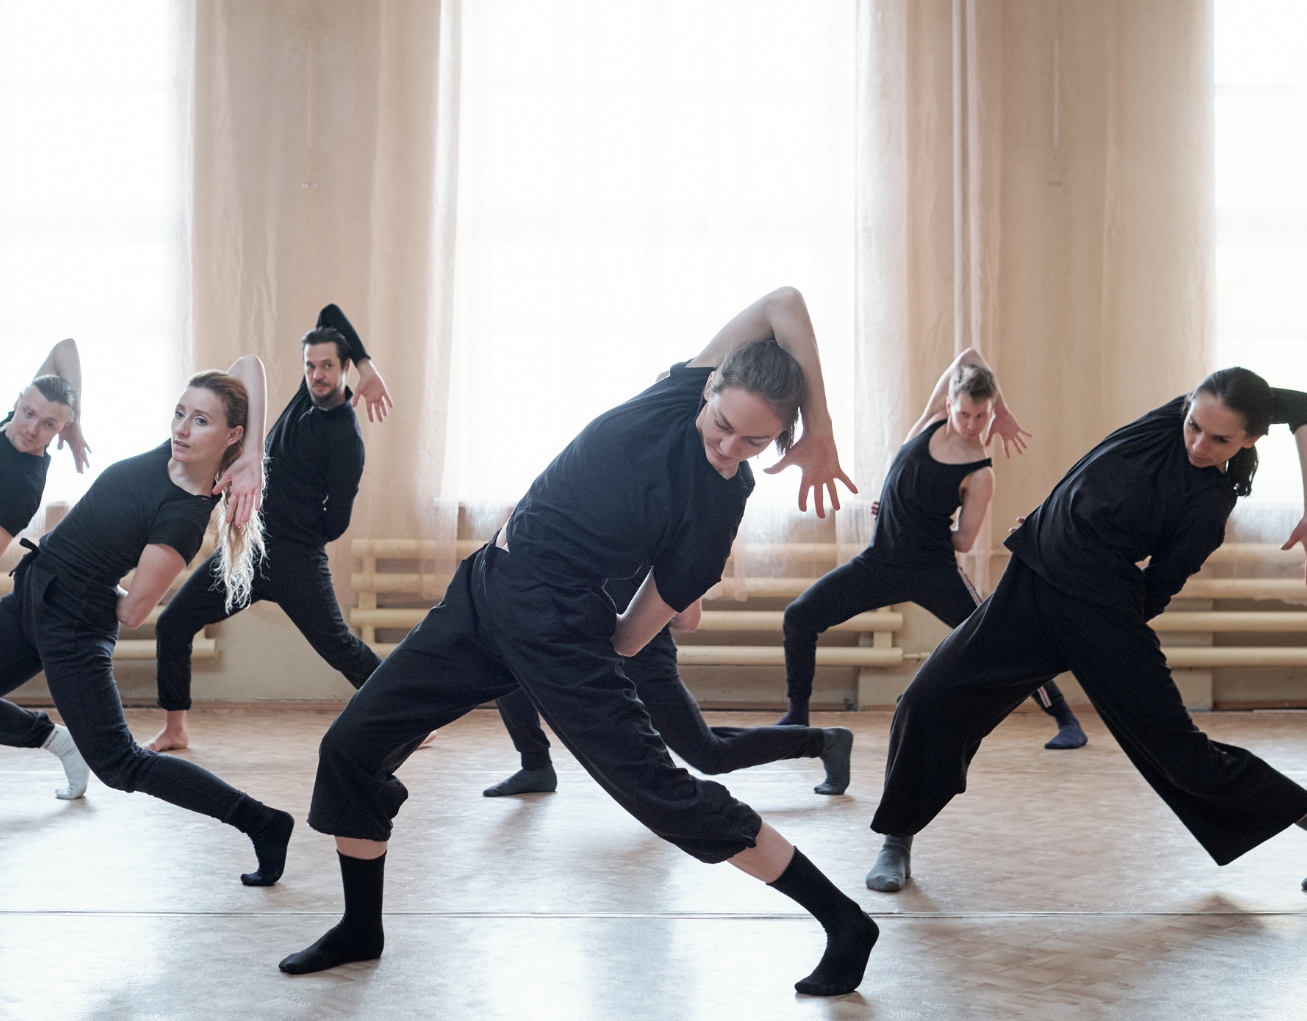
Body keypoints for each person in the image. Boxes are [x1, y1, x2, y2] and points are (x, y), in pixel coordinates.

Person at [279, 288, 880, 997]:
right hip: (483, 592)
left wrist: (576, 652)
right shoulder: (675, 393)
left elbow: (638, 627)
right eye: (722, 424)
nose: (726, 447)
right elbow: (782, 302)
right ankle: (361, 927)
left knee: (667, 798)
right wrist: (821, 426)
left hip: (560, 634)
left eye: (753, 442)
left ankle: (845, 923)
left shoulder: (718, 504)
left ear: (771, 444)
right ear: (708, 385)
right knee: (351, 748)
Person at [869, 367, 1307, 896]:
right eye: (1195, 426)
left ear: (1250, 440)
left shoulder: (1208, 502)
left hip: (1104, 616)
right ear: (1185, 407)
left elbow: (1160, 584)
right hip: (1029, 585)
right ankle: (897, 838)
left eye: (1221, 440)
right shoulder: (1166, 422)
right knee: (928, 698)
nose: (1198, 443)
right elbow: (1300, 402)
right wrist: (1050, 531)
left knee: (1185, 760)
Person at [0, 361, 295, 886]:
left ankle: (263, 822)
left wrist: (82, 593)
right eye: (180, 413)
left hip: (69, 624)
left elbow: (134, 611)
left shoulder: (184, 513)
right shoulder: (174, 455)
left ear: (228, 433)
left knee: (120, 765)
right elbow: (250, 364)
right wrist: (252, 456)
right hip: (31, 594)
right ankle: (51, 739)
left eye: (200, 421)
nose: (182, 428)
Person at [778, 349, 1086, 761]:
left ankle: (1067, 720)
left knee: (1003, 638)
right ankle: (798, 714)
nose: (972, 425)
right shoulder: (927, 424)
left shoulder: (980, 472)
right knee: (799, 617)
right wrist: (893, 508)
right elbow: (969, 355)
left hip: (933, 571)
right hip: (879, 563)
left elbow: (963, 541)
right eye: (964, 415)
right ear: (948, 405)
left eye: (983, 417)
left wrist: (918, 518)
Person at [148, 306, 392, 752]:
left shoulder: (344, 436)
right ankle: (175, 729)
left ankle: (409, 716)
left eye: (327, 367)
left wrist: (294, 528)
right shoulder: (307, 394)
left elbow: (336, 521)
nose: (317, 375)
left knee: (340, 647)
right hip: (248, 549)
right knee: (174, 623)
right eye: (310, 365)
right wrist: (367, 364)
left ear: (342, 371)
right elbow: (331, 313)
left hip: (296, 559)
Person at [483, 569, 854, 800]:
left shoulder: (659, 529)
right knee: (509, 661)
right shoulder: (645, 521)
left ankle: (824, 741)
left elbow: (687, 621)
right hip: (587, 650)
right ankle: (535, 766)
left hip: (642, 658)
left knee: (710, 755)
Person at [0, 339, 92, 798]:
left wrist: (70, 423)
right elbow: (64, 349)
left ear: (57, 430)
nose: (32, 428)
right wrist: (75, 424)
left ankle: (56, 741)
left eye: (49, 424)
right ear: (17, 402)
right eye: (29, 413)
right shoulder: (14, 423)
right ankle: (56, 741)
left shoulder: (20, 483)